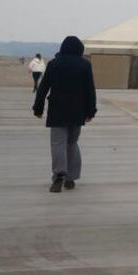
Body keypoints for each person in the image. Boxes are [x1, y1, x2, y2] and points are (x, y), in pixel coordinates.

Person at [32, 35, 97, 193]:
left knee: (58, 144)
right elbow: (90, 90)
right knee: (72, 143)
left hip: (57, 110)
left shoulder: (54, 64)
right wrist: (91, 111)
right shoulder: (85, 65)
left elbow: (43, 87)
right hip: (77, 111)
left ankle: (59, 176)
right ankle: (71, 178)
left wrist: (38, 108)